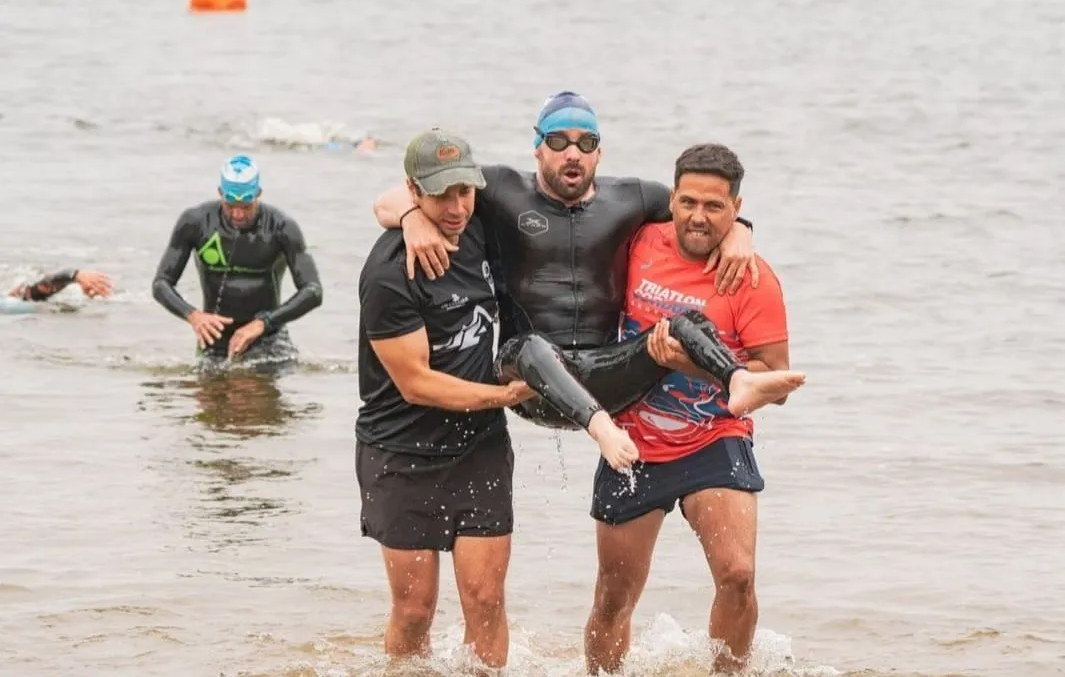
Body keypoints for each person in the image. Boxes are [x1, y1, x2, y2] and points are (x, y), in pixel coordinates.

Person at [372, 92, 795, 469]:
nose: (572, 153)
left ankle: (737, 380)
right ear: (538, 148)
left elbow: (699, 208)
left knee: (682, 321)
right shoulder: (501, 188)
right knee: (529, 345)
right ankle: (603, 431)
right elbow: (392, 198)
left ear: (599, 153)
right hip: (526, 382)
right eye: (558, 141)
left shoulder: (633, 197)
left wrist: (742, 228)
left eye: (585, 143)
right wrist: (412, 219)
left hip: (605, 377)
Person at [583, 143, 801, 674]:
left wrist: (693, 365)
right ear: (672, 199)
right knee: (614, 598)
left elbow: (778, 380)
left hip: (713, 436)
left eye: (715, 207)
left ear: (736, 208)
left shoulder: (751, 277)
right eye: (688, 203)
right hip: (633, 440)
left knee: (738, 574)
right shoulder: (637, 241)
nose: (698, 217)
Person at [356, 128, 537, 670]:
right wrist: (503, 396)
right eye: (441, 196)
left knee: (486, 601)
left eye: (466, 192)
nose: (457, 208)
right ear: (415, 190)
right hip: (400, 453)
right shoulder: (389, 271)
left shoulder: (479, 228)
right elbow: (416, 382)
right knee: (415, 611)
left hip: (478, 447)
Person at [151, 155, 323, 368]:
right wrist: (194, 316)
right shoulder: (195, 222)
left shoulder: (281, 227)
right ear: (221, 194)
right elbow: (161, 284)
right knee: (206, 397)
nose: (238, 214)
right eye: (230, 205)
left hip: (268, 339)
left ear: (258, 194)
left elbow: (313, 291)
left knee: (254, 394)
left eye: (246, 206)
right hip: (214, 339)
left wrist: (263, 323)